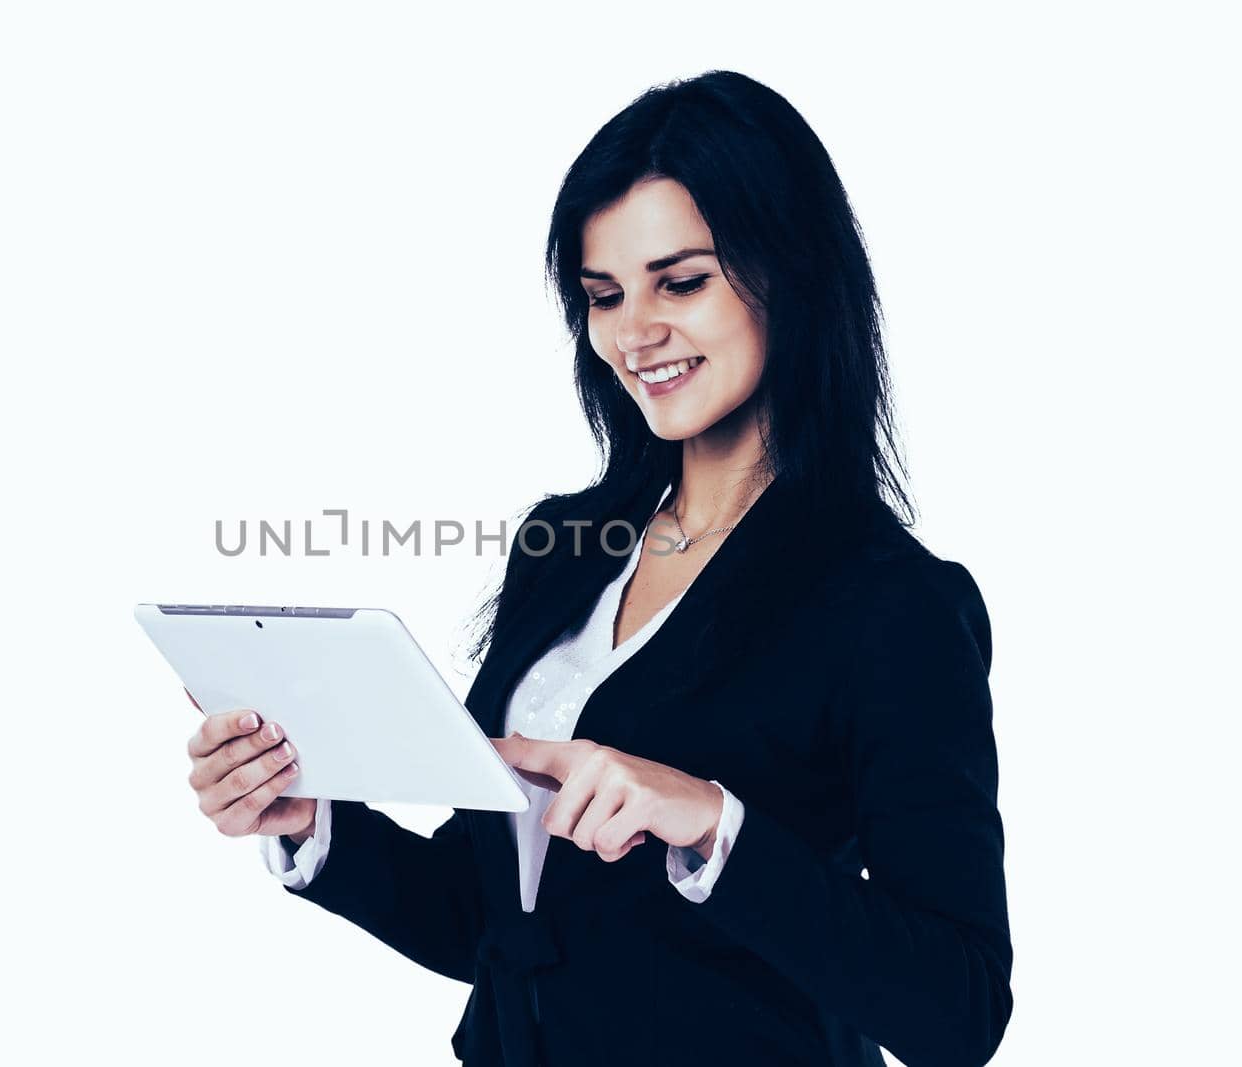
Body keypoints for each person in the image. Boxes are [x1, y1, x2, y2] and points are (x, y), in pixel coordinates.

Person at [183, 69, 1012, 1067]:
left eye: (682, 281)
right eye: (603, 295)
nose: (633, 333)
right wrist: (313, 819)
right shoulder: (563, 547)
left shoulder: (889, 602)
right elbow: (491, 916)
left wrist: (707, 821)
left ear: (790, 272)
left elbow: (956, 1008)